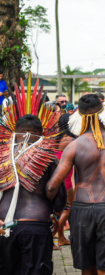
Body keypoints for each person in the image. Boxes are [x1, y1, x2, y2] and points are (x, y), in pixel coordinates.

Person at [46, 94, 105, 275]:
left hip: (82, 210)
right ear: (104, 113)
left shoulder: (74, 145)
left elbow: (52, 186)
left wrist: (54, 213)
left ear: (79, 116)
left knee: (87, 269)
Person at [0, 77, 67, 275]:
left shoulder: (3, 153)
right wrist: (56, 216)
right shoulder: (48, 156)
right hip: (37, 225)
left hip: (4, 226)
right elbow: (59, 194)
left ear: (13, 130)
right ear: (42, 133)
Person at [54, 114, 77, 249]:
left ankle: (61, 238)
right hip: (66, 180)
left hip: (56, 177)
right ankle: (51, 235)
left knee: (58, 209)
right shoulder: (71, 140)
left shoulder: (56, 138)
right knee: (67, 210)